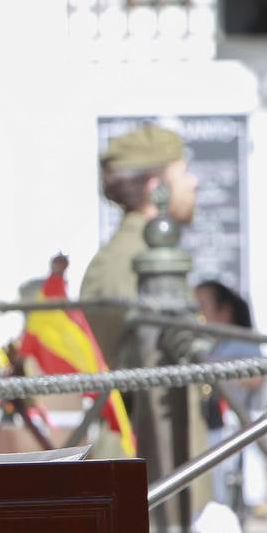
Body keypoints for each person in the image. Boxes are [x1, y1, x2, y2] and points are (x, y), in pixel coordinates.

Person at [79, 123, 199, 367]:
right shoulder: (136, 258)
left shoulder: (123, 251)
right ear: (157, 188)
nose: (193, 182)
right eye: (184, 172)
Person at [195, 275, 266, 516]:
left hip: (236, 441)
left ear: (224, 311)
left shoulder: (241, 344)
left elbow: (256, 378)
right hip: (216, 439)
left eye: (201, 307)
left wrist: (215, 374)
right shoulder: (216, 346)